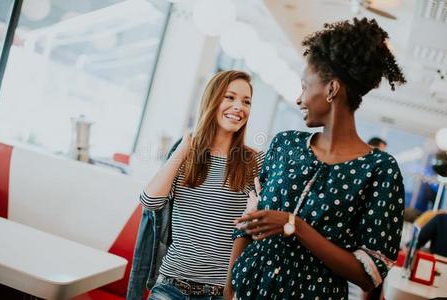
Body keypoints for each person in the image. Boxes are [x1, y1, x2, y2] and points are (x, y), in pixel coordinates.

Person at [225, 18, 406, 300]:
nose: (299, 99)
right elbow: (248, 225)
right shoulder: (285, 145)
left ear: (332, 89)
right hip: (247, 290)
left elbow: (369, 274)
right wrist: (228, 290)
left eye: (305, 87)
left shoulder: (379, 171)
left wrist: (296, 226)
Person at [131, 70, 264, 300]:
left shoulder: (254, 162)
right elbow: (150, 202)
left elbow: (259, 230)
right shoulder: (185, 152)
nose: (238, 107)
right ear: (212, 100)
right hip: (169, 285)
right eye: (230, 97)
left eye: (246, 101)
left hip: (217, 293)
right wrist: (184, 149)